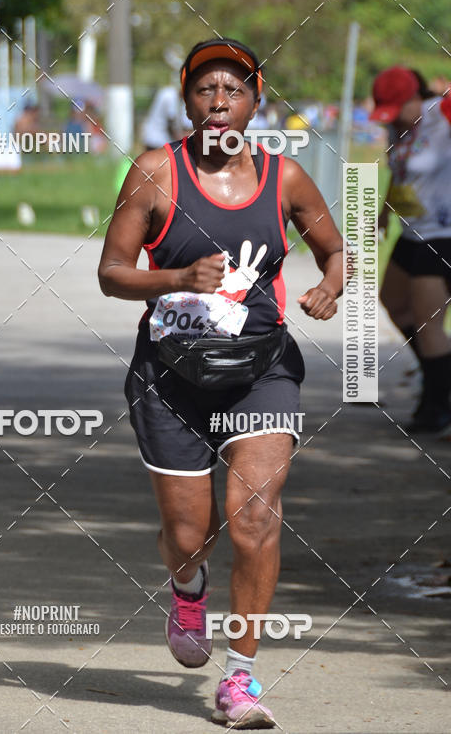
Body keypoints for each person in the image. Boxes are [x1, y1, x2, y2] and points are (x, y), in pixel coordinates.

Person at [98, 38, 343, 729]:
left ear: (256, 100)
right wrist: (176, 278)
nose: (219, 103)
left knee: (256, 515)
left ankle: (241, 680)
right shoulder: (155, 174)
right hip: (170, 376)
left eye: (233, 89)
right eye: (205, 90)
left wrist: (330, 285)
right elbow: (111, 272)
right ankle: (186, 585)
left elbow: (334, 248)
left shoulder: (286, 178)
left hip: (261, 370)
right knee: (188, 532)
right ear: (186, 101)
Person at [373, 66, 451, 433]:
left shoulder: (443, 114)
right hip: (410, 232)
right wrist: (383, 212)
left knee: (427, 321)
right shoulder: (397, 127)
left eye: (396, 107)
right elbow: (399, 172)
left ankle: (437, 406)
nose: (392, 118)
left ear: (414, 97)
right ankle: (439, 373)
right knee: (392, 300)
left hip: (441, 233)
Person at [141, 83, 191, 150]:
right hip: (157, 140)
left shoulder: (179, 100)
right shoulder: (169, 96)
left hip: (157, 139)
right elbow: (171, 124)